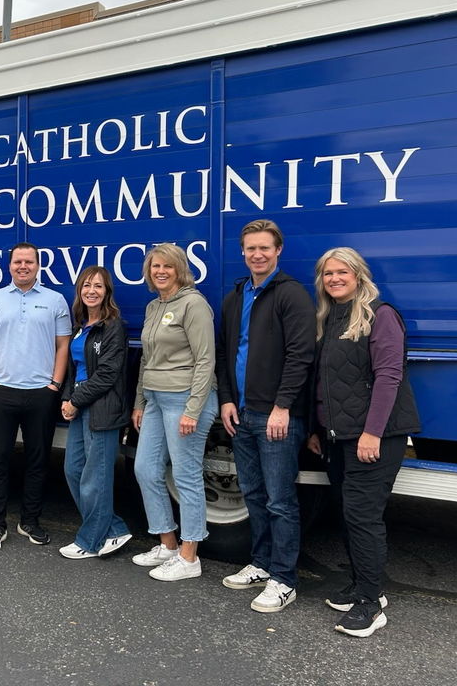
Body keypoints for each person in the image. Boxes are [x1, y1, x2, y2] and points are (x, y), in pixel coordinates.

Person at [308, 247, 420, 638]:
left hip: (375, 436)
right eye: (327, 273)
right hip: (339, 438)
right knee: (347, 511)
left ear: (359, 275)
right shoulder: (328, 317)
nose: (335, 279)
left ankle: (371, 605)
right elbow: (324, 383)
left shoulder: (380, 315)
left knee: (363, 517)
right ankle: (362, 585)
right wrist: (317, 430)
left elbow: (389, 376)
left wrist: (372, 432)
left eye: (342, 272)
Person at [216, 219, 316, 612]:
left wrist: (283, 406)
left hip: (275, 417)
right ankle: (260, 564)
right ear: (242, 252)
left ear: (278, 251)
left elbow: (301, 356)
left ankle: (284, 580)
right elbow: (226, 354)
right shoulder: (235, 297)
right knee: (254, 496)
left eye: (265, 248)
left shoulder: (291, 295)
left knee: (280, 501)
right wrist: (226, 399)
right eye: (250, 248)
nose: (257, 254)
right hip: (240, 414)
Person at [131, 243, 218, 581]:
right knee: (145, 469)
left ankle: (189, 556)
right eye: (155, 267)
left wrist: (193, 410)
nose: (161, 271)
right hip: (155, 399)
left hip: (185, 399)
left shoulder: (194, 304)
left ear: (180, 269)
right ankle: (167, 543)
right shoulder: (155, 306)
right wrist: (139, 402)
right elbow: (146, 359)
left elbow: (205, 360)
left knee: (185, 477)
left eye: (167, 266)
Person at [0, 242, 71, 551]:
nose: (23, 266)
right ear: (10, 266)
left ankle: (29, 521)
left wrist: (54, 385)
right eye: (17, 261)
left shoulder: (55, 300)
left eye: (28, 262)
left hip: (40, 395)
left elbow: (63, 346)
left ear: (37, 265)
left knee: (37, 461)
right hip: (1, 392)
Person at [58, 266, 133, 559]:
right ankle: (114, 529)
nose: (92, 290)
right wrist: (68, 398)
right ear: (80, 290)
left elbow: (107, 375)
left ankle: (90, 540)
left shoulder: (114, 326)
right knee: (74, 470)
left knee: (95, 477)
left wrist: (75, 401)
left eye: (98, 286)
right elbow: (73, 370)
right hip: (79, 404)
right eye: (87, 285)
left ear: (107, 292)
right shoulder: (81, 326)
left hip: (101, 408)